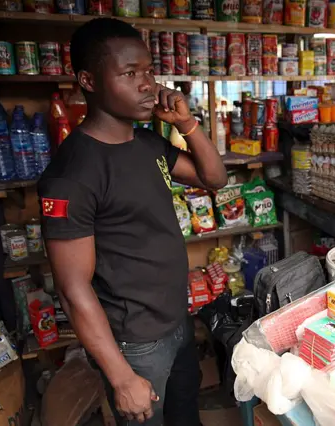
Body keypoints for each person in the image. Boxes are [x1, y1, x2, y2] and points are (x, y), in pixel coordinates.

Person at [37, 18, 228, 425]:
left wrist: (185, 124)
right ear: (88, 80)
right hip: (134, 344)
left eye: (148, 71)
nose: (147, 84)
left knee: (185, 417)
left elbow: (214, 178)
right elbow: (72, 289)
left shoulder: (146, 142)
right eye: (129, 74)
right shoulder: (73, 173)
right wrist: (122, 378)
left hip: (176, 320)